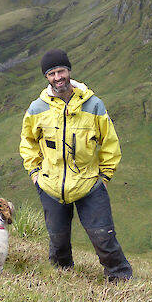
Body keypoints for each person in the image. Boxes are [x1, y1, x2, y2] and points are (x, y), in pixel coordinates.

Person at [19, 48, 132, 281]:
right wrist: (35, 173)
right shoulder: (37, 108)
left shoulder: (93, 105)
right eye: (51, 74)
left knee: (103, 236)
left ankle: (120, 278)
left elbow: (110, 142)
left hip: (89, 185)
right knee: (58, 238)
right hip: (50, 186)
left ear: (69, 71)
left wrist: (105, 177)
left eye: (61, 71)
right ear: (47, 78)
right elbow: (27, 142)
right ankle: (62, 276)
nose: (58, 77)